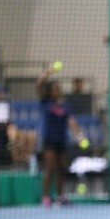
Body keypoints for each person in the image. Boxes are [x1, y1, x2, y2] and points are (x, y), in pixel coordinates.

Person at [36, 65, 84, 207]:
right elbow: (38, 84)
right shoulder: (45, 103)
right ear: (50, 91)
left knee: (61, 169)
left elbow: (72, 122)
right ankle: (45, 197)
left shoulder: (65, 106)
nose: (57, 91)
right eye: (55, 89)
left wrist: (80, 136)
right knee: (49, 169)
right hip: (49, 141)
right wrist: (48, 72)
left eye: (59, 89)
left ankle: (61, 197)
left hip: (61, 140)